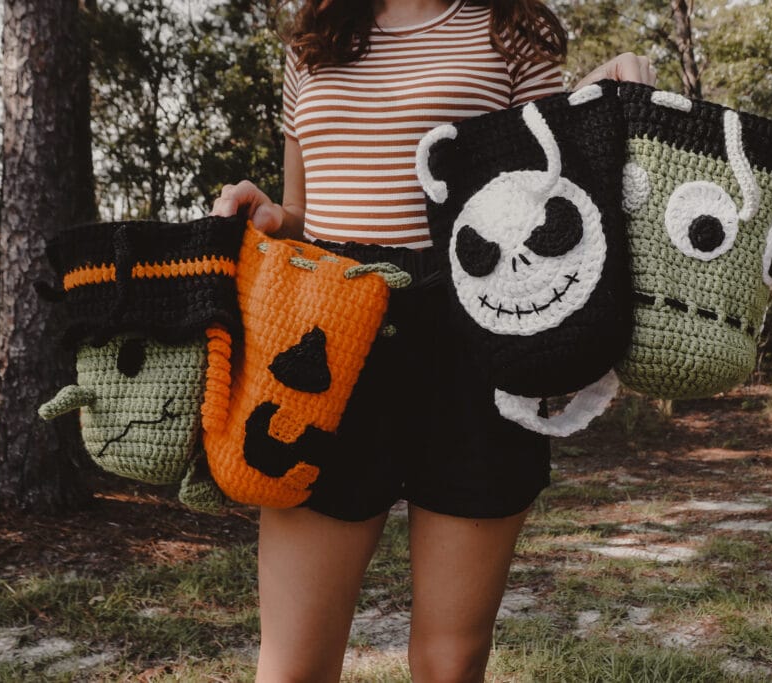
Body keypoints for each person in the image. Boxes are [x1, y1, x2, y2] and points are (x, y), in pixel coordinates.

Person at [211, 1, 655, 680]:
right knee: (292, 666)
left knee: (449, 664)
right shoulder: (313, 41)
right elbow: (305, 210)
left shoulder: (512, 28)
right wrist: (273, 213)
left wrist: (611, 78)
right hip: (325, 349)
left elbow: (552, 168)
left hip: (469, 343)